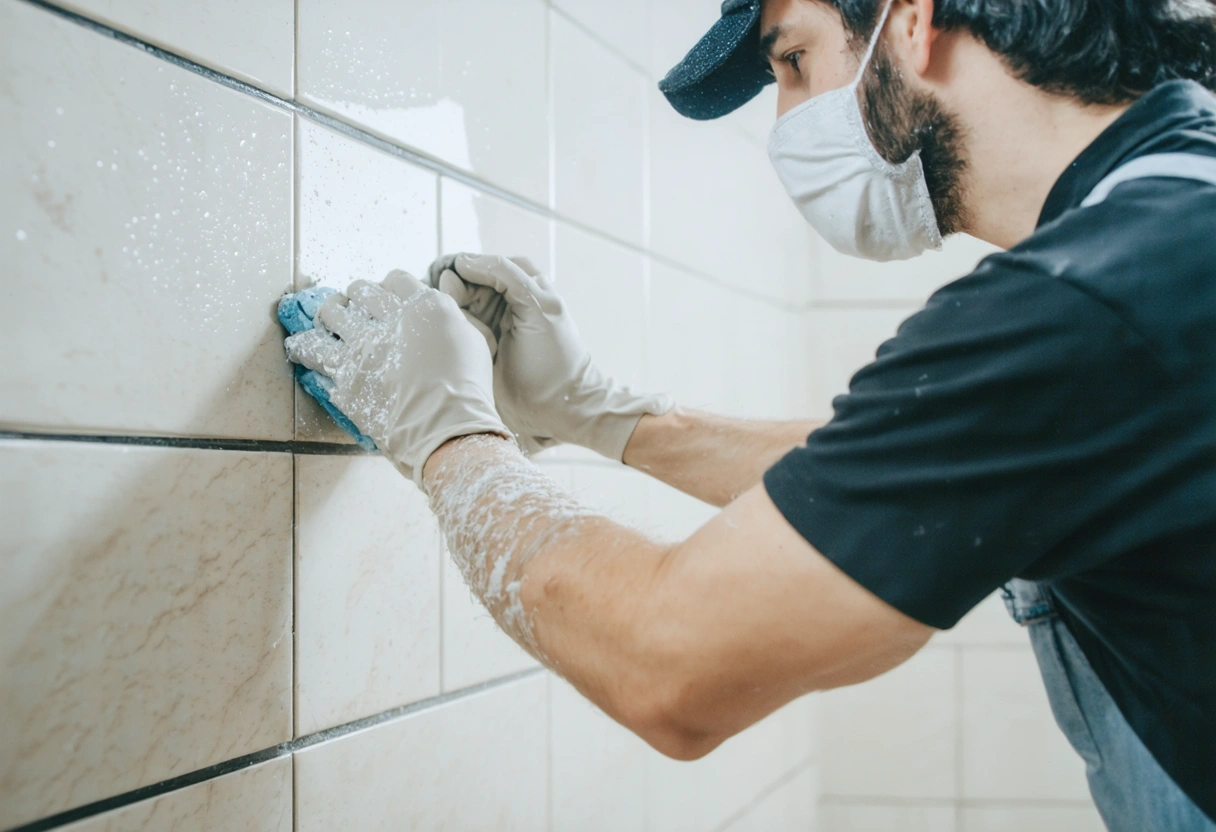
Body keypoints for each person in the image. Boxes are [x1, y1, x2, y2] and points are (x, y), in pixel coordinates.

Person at [283, 0, 1216, 827]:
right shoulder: (1165, 236)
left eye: (794, 59)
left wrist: (447, 437)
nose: (789, 120)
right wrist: (600, 413)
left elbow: (668, 664)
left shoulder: (1093, 298)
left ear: (918, 20)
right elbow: (912, 473)